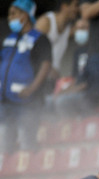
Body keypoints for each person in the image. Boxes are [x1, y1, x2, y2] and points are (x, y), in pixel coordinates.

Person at [0, 0, 52, 154]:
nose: (10, 18)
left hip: (28, 102)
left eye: (13, 13)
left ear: (25, 15)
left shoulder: (40, 39)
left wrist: (31, 89)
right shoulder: (10, 39)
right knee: (5, 144)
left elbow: (46, 65)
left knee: (26, 143)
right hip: (6, 101)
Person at [50, 18, 91, 117]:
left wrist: (68, 92)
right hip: (76, 90)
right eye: (77, 29)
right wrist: (61, 91)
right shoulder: (78, 52)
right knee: (48, 100)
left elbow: (87, 83)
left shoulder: (94, 50)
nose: (79, 32)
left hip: (89, 92)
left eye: (83, 28)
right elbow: (74, 78)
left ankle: (69, 128)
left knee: (62, 101)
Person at [35, 0, 79, 75]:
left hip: (52, 78)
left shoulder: (68, 28)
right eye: (76, 5)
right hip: (38, 75)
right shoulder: (46, 22)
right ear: (64, 6)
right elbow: (32, 50)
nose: (78, 9)